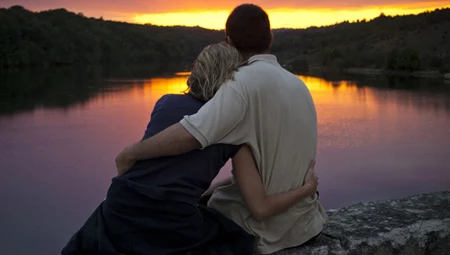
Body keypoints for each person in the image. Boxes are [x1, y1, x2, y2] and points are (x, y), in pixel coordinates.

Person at [62, 43, 319, 255]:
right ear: (234, 80)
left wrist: (205, 189)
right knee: (235, 238)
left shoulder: (165, 103)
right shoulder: (234, 129)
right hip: (170, 223)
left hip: (119, 208)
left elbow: (166, 171)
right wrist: (306, 189)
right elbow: (260, 207)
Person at [115, 4, 328, 254]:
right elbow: (263, 169)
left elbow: (192, 133)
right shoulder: (299, 85)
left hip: (265, 232)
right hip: (306, 223)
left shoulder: (240, 85)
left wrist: (132, 153)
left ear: (228, 42)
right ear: (270, 37)